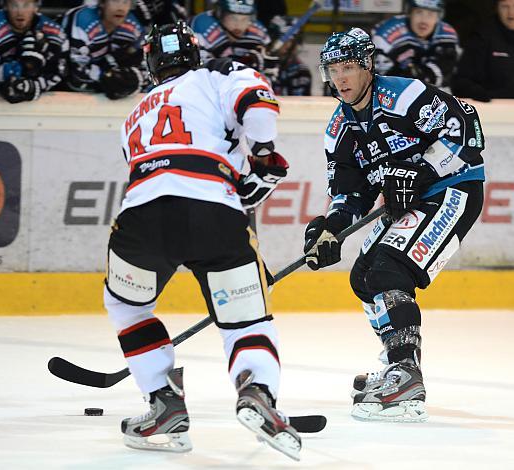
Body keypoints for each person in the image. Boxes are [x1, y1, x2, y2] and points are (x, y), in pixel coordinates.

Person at [104, 20, 300, 459]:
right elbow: (258, 105)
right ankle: (257, 392)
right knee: (246, 320)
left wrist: (243, 174)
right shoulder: (218, 74)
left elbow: (167, 162)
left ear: (152, 64)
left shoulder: (134, 113)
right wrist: (263, 156)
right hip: (215, 212)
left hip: (143, 216)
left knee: (127, 305)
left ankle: (162, 399)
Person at [304, 27, 485, 422]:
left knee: (389, 270)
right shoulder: (339, 129)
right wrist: (332, 227)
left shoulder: (403, 95)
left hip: (453, 189)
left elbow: (466, 125)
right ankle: (395, 362)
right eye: (333, 69)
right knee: (363, 277)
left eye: (348, 67)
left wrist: (421, 173)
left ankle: (406, 372)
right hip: (410, 202)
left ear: (368, 65)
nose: (341, 79)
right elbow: (350, 193)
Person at [0, 0, 67, 103]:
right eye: (14, 5)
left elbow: (60, 71)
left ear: (36, 6)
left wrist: (35, 84)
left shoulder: (54, 32)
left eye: (26, 5)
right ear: (5, 6)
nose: (20, 12)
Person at [61, 0, 147, 99]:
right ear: (102, 3)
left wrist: (133, 78)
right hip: (69, 91)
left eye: (125, 2)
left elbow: (144, 66)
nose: (121, 8)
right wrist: (104, 77)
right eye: (115, 1)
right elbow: (77, 71)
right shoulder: (83, 20)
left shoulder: (134, 26)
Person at [372, 0, 459, 89]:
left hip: (434, 93)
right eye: (419, 12)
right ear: (409, 13)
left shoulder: (447, 34)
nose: (424, 20)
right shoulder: (387, 32)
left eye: (431, 14)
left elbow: (444, 73)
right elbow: (378, 77)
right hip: (393, 92)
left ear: (439, 17)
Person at [190, 0, 278, 83]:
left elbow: (270, 78)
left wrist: (263, 70)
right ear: (220, 14)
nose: (238, 25)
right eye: (232, 18)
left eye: (244, 19)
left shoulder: (259, 33)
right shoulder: (202, 26)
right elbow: (198, 70)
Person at [267, 15, 311, 96]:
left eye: (291, 41)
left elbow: (300, 104)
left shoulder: (301, 71)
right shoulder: (260, 65)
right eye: (282, 40)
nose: (287, 45)